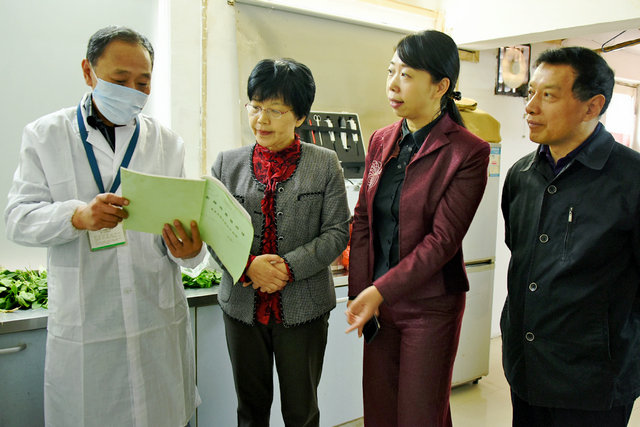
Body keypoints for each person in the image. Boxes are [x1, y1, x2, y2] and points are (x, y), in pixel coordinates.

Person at [5, 26, 206, 427]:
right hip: (89, 325)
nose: (133, 91)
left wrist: (189, 251)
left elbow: (182, 232)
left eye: (143, 82)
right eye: (120, 80)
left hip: (155, 320)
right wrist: (77, 217)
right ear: (88, 72)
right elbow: (17, 219)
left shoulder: (167, 143)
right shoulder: (46, 136)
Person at [345, 30, 490, 426]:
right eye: (391, 71)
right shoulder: (381, 140)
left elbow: (442, 241)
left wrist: (377, 290)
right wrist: (360, 290)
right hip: (380, 304)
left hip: (430, 307)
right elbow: (363, 219)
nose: (393, 84)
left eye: (406, 75)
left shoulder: (468, 152)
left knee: (420, 415)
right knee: (380, 411)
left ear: (440, 86)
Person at [501, 46, 640, 426]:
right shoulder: (521, 175)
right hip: (526, 367)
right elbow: (522, 254)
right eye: (530, 92)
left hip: (594, 381)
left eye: (548, 95)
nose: (530, 107)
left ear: (592, 106)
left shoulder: (631, 180)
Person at [209, 58, 350, 427]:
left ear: (300, 116)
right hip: (242, 309)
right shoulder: (226, 165)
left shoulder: (325, 164)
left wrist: (288, 267)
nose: (261, 120)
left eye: (275, 110)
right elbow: (213, 231)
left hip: (304, 309)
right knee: (250, 411)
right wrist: (248, 266)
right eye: (255, 107)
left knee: (301, 412)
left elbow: (337, 231)